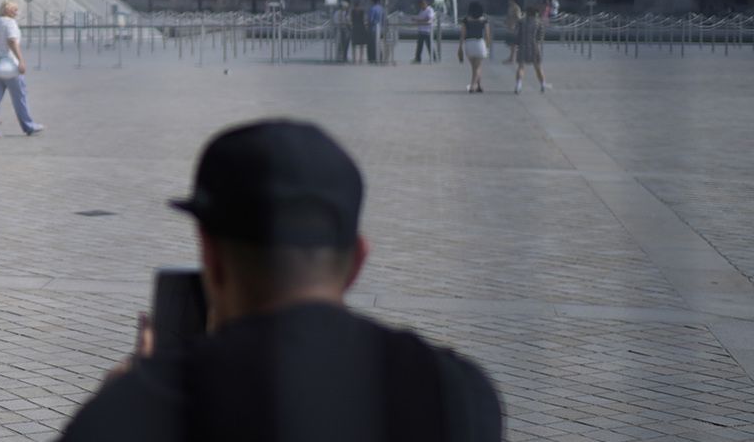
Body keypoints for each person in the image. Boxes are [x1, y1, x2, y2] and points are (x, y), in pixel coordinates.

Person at [58, 120, 503, 441]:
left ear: (211, 256)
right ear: (358, 260)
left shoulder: (142, 408)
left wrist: (126, 392)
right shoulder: (457, 392)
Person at [0, 0, 43, 137]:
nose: (16, 12)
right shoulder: (10, 23)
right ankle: (28, 125)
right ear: (7, 10)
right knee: (19, 96)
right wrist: (21, 60)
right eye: (14, 9)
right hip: (8, 62)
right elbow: (11, 41)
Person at [514, 1, 549, 94]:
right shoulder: (538, 23)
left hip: (522, 46)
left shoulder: (521, 21)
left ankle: (518, 85)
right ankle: (542, 85)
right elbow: (540, 37)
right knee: (538, 67)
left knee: (521, 67)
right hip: (534, 46)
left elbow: (516, 33)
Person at [459, 1, 491, 94]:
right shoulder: (484, 20)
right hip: (479, 44)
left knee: (475, 67)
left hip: (469, 44)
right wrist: (487, 47)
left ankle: (479, 86)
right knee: (477, 67)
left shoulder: (465, 20)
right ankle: (473, 86)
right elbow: (487, 35)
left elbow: (462, 34)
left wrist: (460, 46)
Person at [412, 0, 436, 64]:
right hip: (421, 31)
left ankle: (433, 58)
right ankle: (418, 59)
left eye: (422, 4)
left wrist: (419, 21)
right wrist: (415, 19)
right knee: (419, 46)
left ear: (425, 4)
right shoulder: (421, 11)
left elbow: (429, 19)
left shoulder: (429, 10)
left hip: (427, 31)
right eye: (420, 5)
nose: (421, 6)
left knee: (429, 45)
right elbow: (420, 18)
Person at [366, 0, 386, 65]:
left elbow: (370, 20)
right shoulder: (382, 9)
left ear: (373, 1)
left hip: (373, 29)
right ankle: (380, 57)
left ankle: (372, 58)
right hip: (380, 28)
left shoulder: (373, 9)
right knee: (378, 44)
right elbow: (384, 19)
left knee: (372, 44)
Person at [502, 0, 523, 65]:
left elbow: (518, 17)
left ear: (513, 0)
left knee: (513, 44)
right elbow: (509, 16)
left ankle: (512, 58)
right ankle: (511, 58)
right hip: (510, 26)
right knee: (511, 44)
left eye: (510, 0)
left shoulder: (516, 8)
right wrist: (506, 20)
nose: (509, 1)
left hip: (514, 27)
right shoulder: (511, 7)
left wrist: (513, 20)